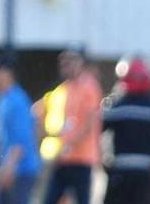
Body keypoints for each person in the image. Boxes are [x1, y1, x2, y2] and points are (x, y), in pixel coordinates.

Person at [102, 57, 150, 204]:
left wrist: (104, 162)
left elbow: (96, 132)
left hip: (120, 174)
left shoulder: (116, 106)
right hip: (147, 175)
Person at [37, 48, 103, 204]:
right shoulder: (64, 88)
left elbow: (88, 123)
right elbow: (47, 110)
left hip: (82, 157)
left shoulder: (89, 87)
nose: (66, 66)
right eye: (64, 62)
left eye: (71, 61)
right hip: (63, 156)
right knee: (51, 198)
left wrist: (69, 144)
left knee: (81, 199)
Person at [0, 53, 41, 204]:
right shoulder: (1, 99)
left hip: (20, 170)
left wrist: (9, 168)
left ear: (5, 73)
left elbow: (21, 140)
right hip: (9, 166)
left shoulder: (18, 100)